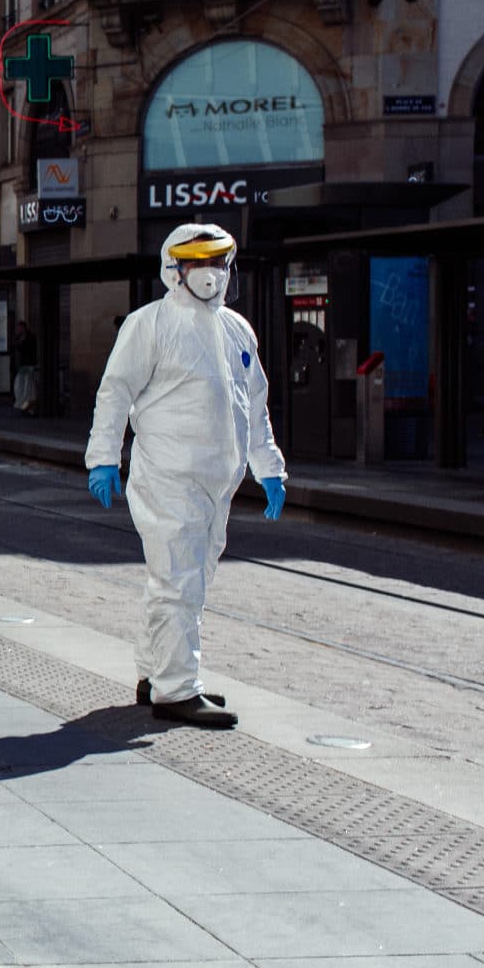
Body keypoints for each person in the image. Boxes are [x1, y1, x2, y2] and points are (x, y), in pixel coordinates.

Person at [84, 222, 286, 729]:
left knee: (182, 580)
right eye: (199, 263)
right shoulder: (149, 324)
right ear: (176, 270)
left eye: (218, 262)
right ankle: (177, 690)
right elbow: (115, 393)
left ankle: (157, 673)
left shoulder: (237, 329)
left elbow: (254, 403)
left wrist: (269, 467)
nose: (211, 273)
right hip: (168, 477)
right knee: (179, 580)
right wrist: (103, 457)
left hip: (218, 483)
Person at [10, 319, 40, 414]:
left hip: (28, 366)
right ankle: (24, 406)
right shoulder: (20, 337)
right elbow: (15, 345)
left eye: (20, 328)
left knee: (28, 388)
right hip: (22, 367)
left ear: (24, 328)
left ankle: (28, 407)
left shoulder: (29, 338)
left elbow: (25, 349)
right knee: (20, 387)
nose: (19, 330)